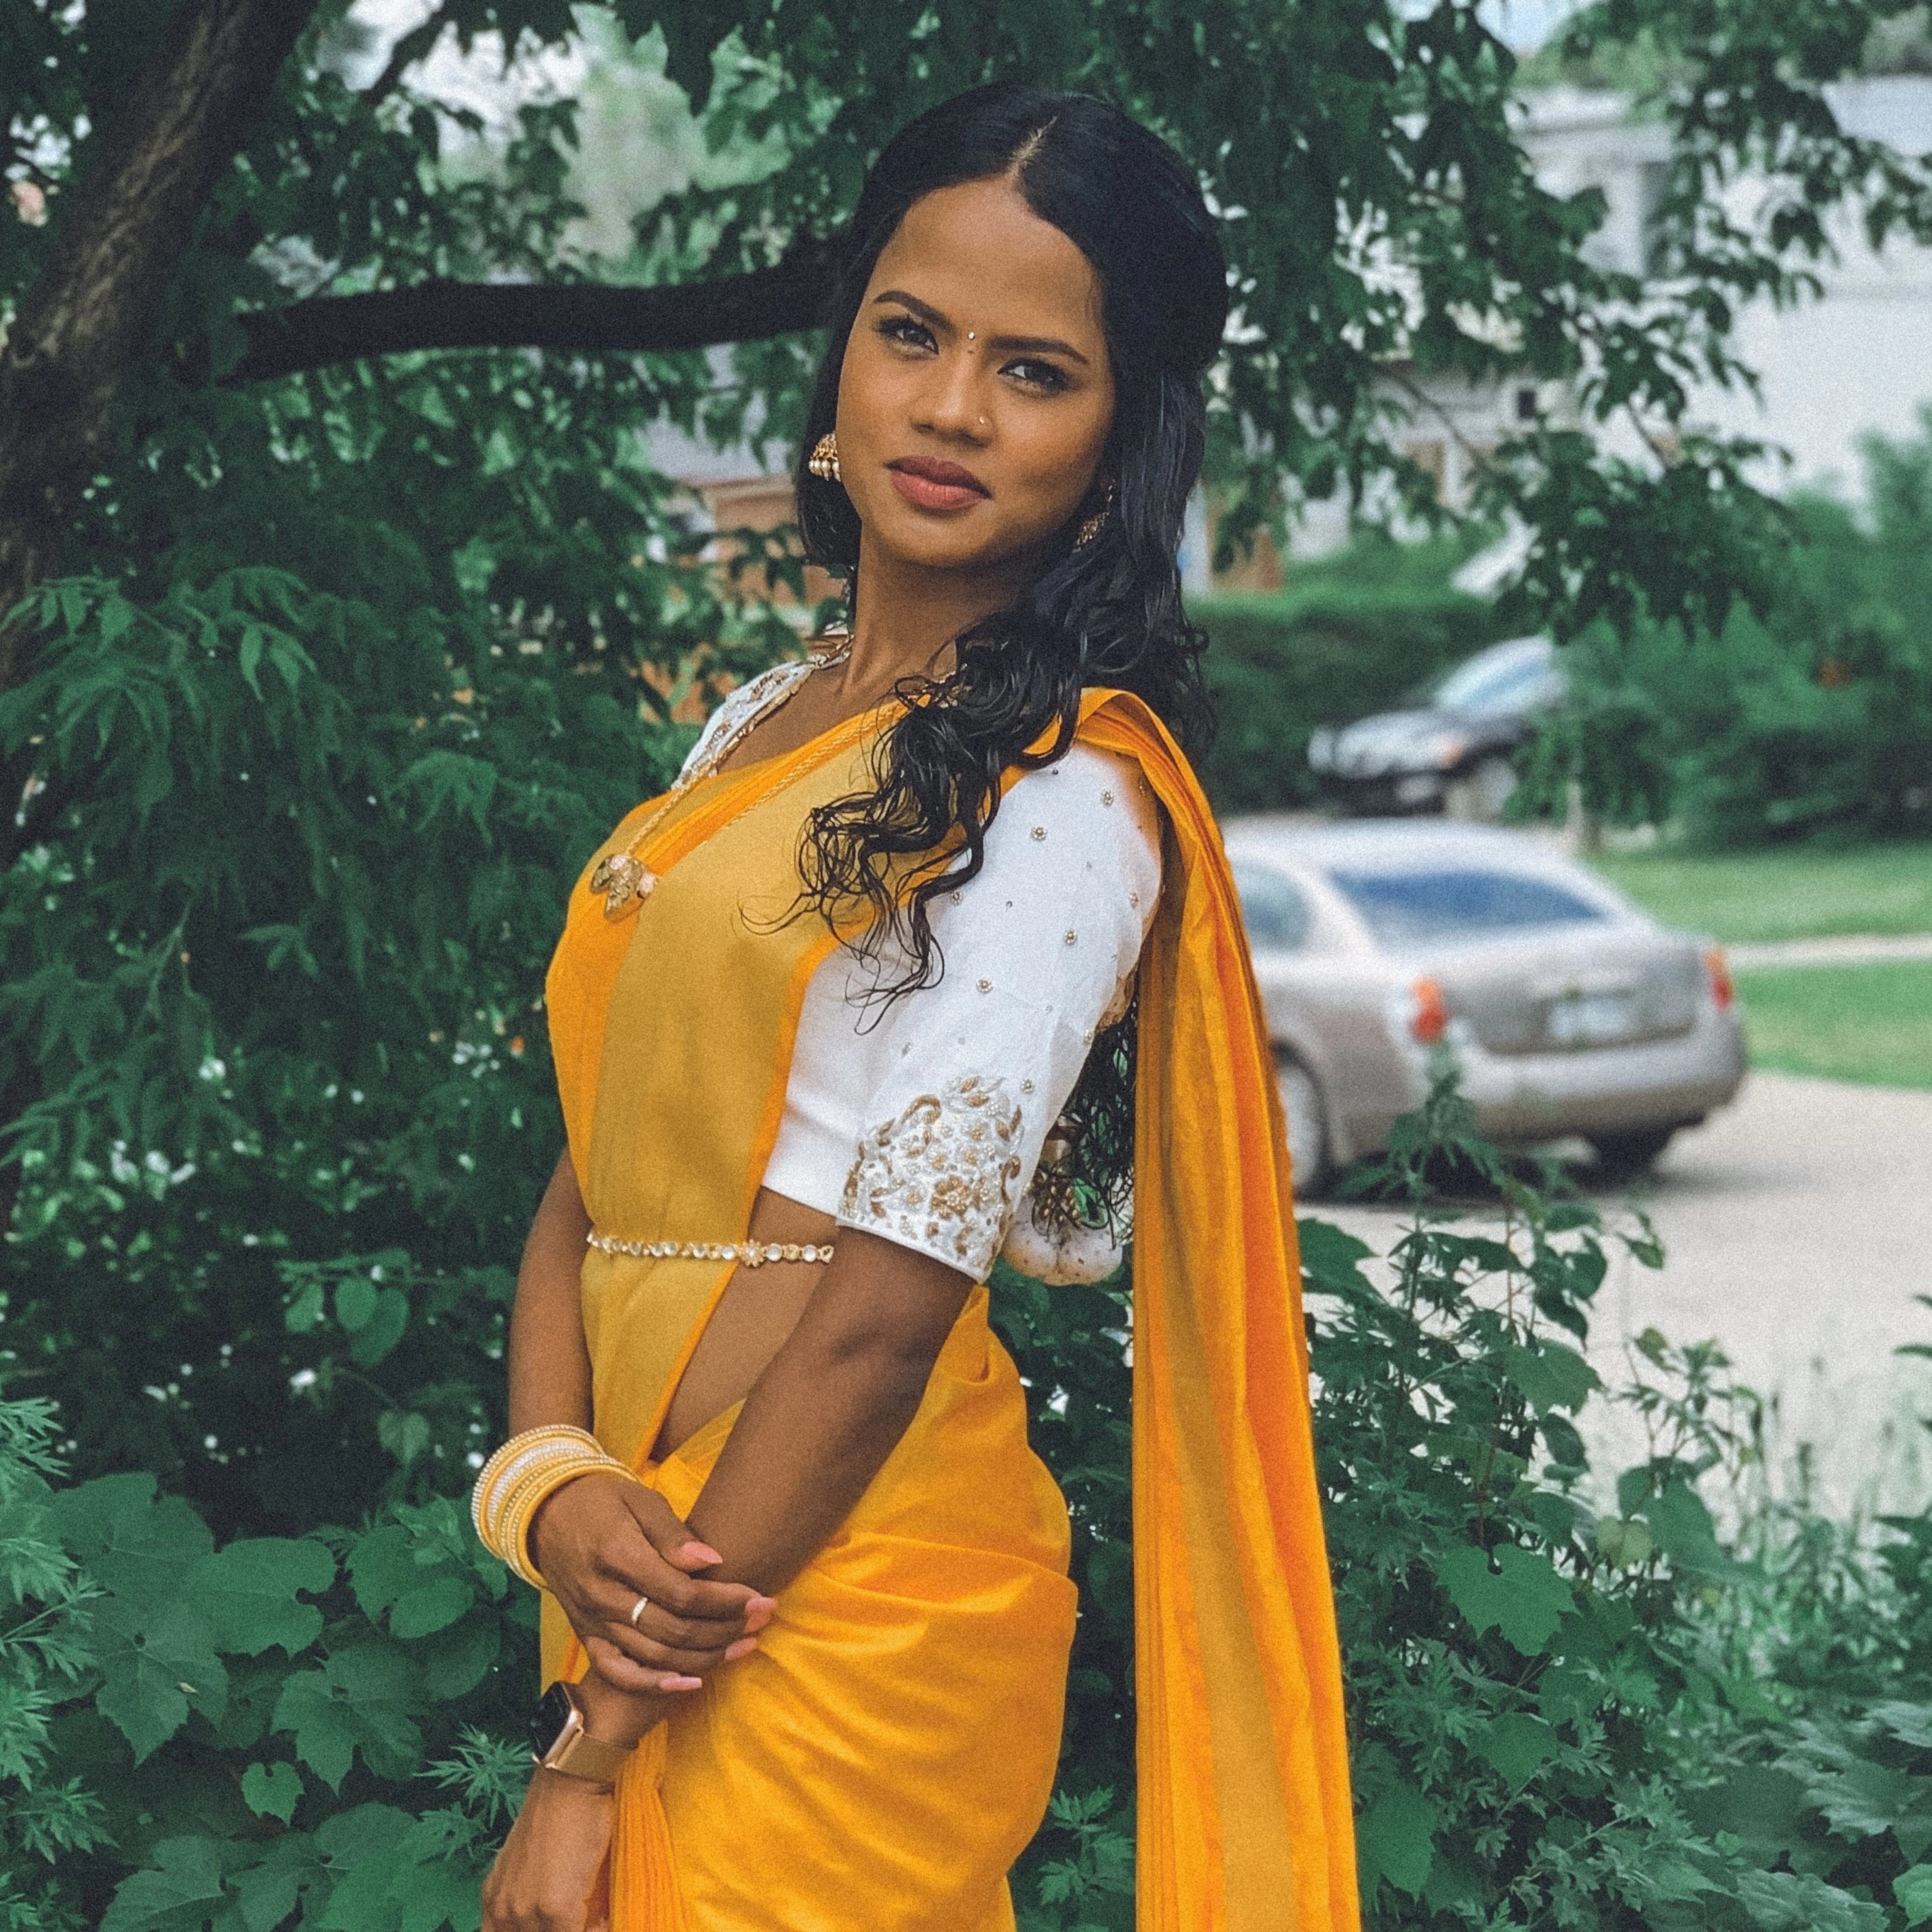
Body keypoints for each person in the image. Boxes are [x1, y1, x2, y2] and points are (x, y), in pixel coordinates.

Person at [474, 82, 1357, 1932]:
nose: (950, 407)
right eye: (910, 333)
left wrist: (584, 1757)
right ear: (841, 357)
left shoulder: (1060, 798)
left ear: (1124, 437)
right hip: (640, 1553)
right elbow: (591, 1168)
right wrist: (542, 1480)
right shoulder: (767, 719)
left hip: (824, 1585)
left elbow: (883, 1323)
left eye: (1034, 371)